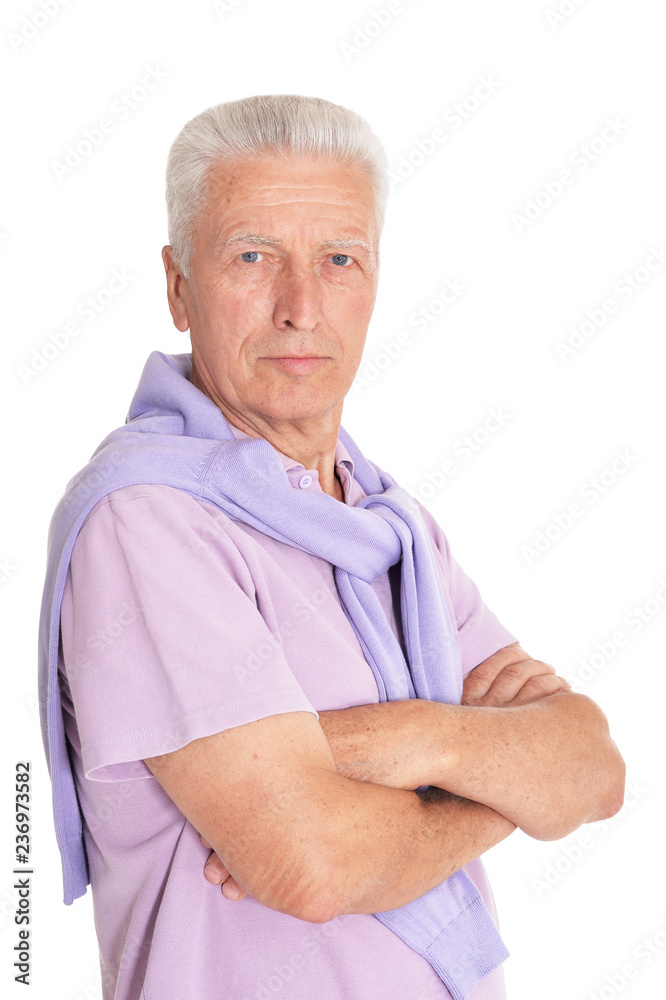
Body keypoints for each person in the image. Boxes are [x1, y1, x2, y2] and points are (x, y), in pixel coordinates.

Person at [39, 94, 625, 1000]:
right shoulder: (146, 519)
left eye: (339, 259)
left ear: (375, 282)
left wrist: (417, 741)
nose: (301, 307)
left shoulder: (388, 525)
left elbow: (593, 769)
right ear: (178, 286)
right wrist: (500, 779)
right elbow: (313, 864)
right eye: (252, 256)